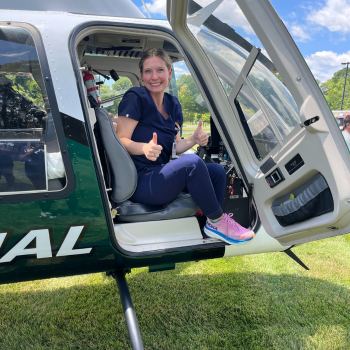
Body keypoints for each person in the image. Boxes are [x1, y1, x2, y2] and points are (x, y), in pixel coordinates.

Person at [117, 48, 254, 245]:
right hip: (142, 180)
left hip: (161, 173)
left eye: (160, 70)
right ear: (141, 75)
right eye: (148, 71)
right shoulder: (135, 98)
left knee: (216, 171)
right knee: (192, 162)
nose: (154, 77)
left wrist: (193, 140)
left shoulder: (173, 104)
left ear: (170, 72)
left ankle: (205, 227)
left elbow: (175, 146)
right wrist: (144, 148)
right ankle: (218, 221)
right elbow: (121, 140)